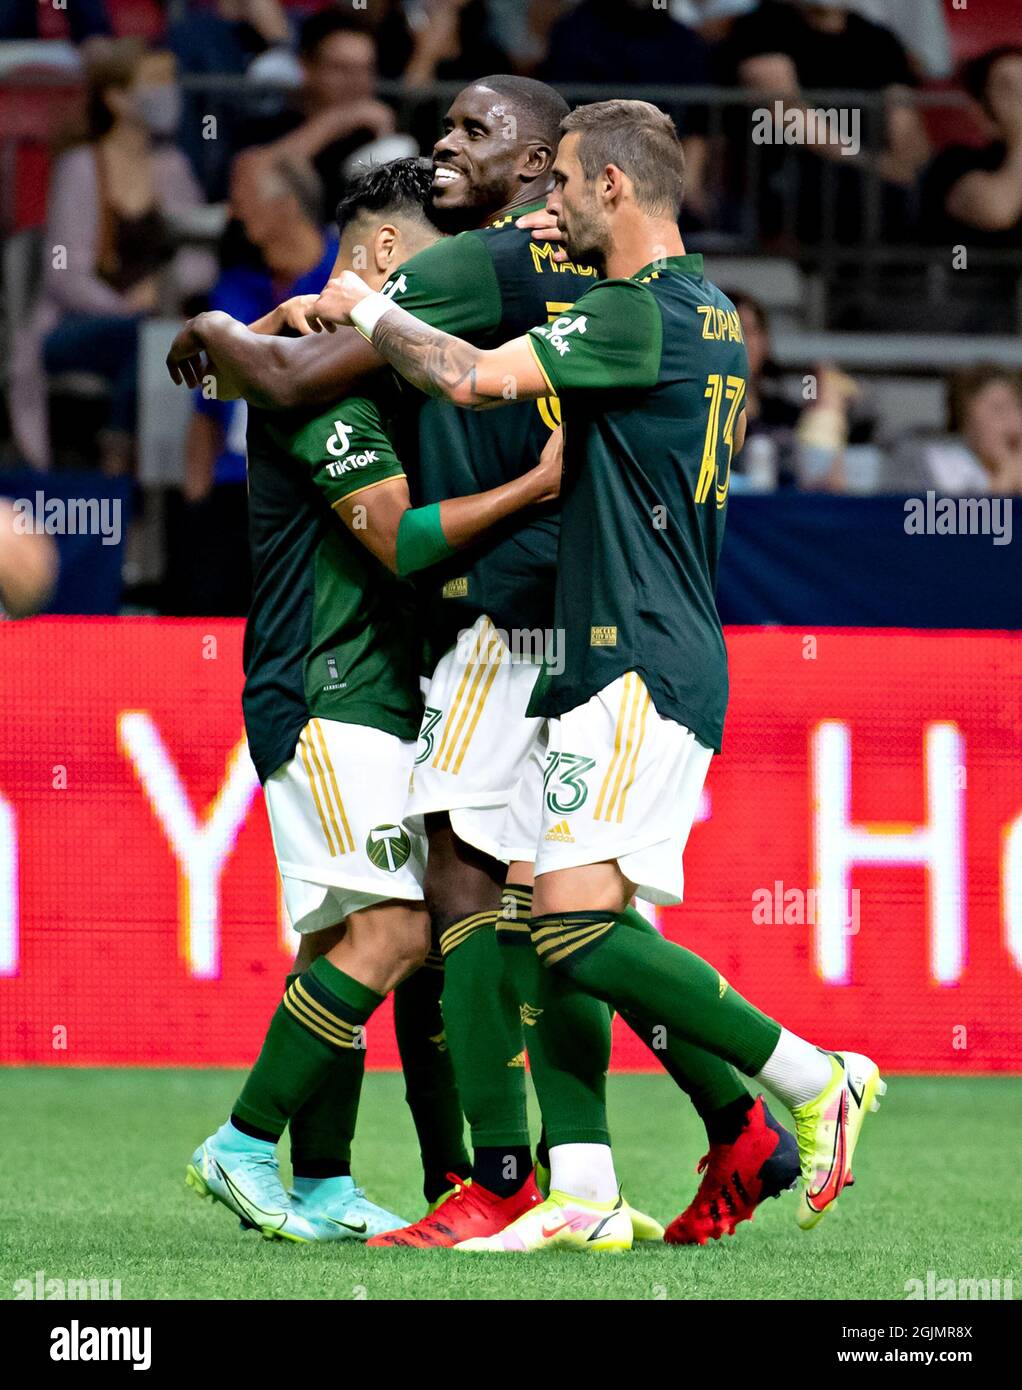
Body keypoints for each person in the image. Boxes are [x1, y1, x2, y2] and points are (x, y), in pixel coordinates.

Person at [168, 74, 799, 1254]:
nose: (444, 142)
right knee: (562, 899)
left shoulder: (479, 269)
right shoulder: (640, 287)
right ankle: (699, 1124)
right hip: (593, 614)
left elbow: (298, 381)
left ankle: (517, 1174)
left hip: (510, 622)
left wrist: (220, 327)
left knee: (458, 883)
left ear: (541, 171)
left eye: (476, 132)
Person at [311, 97, 886, 1252]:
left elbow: (468, 379)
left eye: (564, 184)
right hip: (617, 652)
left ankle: (811, 1076)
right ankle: (579, 1184)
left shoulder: (641, 315)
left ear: (613, 188)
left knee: (567, 926)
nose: (550, 206)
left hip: (636, 656)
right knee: (553, 907)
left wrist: (364, 303)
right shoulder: (708, 311)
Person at [171, 157, 566, 1241]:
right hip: (326, 685)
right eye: (440, 261)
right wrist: (537, 485)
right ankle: (243, 1140)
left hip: (379, 692)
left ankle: (324, 1179)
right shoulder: (310, 374)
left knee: (338, 941)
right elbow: (395, 540)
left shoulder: (357, 367)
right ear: (385, 255)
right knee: (392, 930)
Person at [8, 40, 214, 474]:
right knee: (159, 337)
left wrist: (160, 289)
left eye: (171, 82)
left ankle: (118, 459)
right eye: (155, 83)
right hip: (76, 324)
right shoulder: (81, 166)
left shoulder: (171, 166)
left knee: (158, 344)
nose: (168, 93)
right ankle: (134, 470)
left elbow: (202, 256)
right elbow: (63, 274)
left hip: (153, 319)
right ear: (116, 98)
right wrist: (128, 306)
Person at [166, 157, 338, 616]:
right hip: (232, 490)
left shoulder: (346, 281)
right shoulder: (233, 290)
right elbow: (205, 409)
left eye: (241, 199)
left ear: (284, 205)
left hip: (319, 484)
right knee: (200, 602)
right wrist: (195, 506)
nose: (232, 213)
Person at [232, 10, 396, 225]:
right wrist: (336, 121)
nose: (357, 82)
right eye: (341, 69)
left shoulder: (380, 128)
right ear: (306, 66)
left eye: (365, 69)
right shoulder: (269, 128)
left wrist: (388, 140)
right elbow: (253, 177)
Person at [921, 46, 1022, 249]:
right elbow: (998, 211)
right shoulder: (954, 164)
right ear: (981, 108)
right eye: (1008, 88)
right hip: (975, 277)